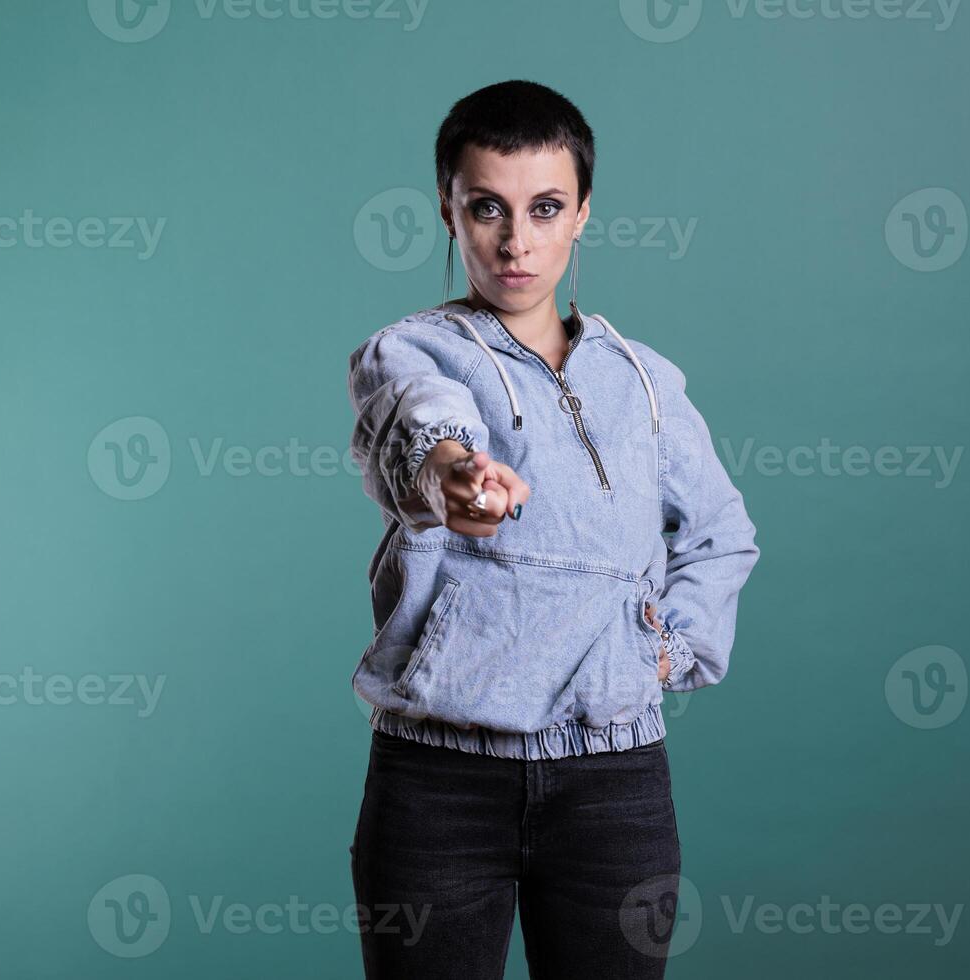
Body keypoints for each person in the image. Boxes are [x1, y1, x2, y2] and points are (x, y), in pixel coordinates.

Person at [345, 79, 760, 979]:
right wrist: (454, 474)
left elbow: (723, 535)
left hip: (614, 786)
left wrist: (662, 652)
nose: (515, 240)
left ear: (582, 216)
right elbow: (422, 421)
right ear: (448, 213)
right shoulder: (413, 350)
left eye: (544, 208)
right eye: (486, 207)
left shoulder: (646, 382)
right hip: (437, 784)